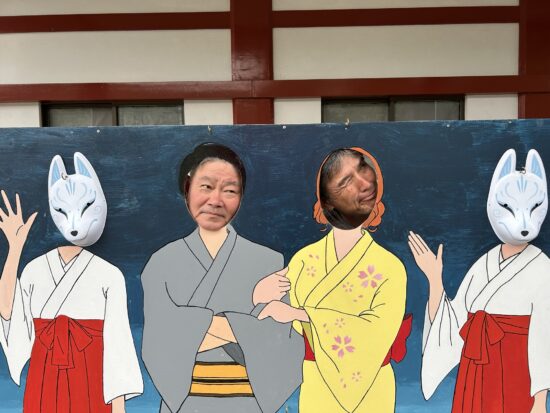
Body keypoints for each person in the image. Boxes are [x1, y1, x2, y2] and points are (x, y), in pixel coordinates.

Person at [141, 143, 303, 413]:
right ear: (187, 188)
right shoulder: (161, 263)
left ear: (241, 197)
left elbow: (280, 348)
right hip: (186, 404)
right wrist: (253, 303)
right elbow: (162, 348)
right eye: (206, 187)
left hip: (248, 403)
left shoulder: (268, 262)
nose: (215, 200)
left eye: (229, 190)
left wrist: (190, 330)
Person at [255, 147, 410, 413]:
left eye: (365, 177)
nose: (362, 186)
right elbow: (278, 327)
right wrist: (258, 295)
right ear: (326, 200)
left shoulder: (390, 267)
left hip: (371, 387)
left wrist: (301, 314)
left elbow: (376, 333)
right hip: (317, 383)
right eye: (347, 181)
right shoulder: (304, 260)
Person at [409, 149, 550, 413]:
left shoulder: (542, 267)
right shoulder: (484, 263)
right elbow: (453, 323)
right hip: (476, 368)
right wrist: (434, 279)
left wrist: (540, 401)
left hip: (516, 370)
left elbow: (544, 336)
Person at [0, 153, 143, 413]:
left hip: (92, 379)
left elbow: (118, 346)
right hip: (44, 378)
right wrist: (15, 247)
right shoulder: (34, 270)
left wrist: (118, 408)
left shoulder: (109, 274)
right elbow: (8, 315)